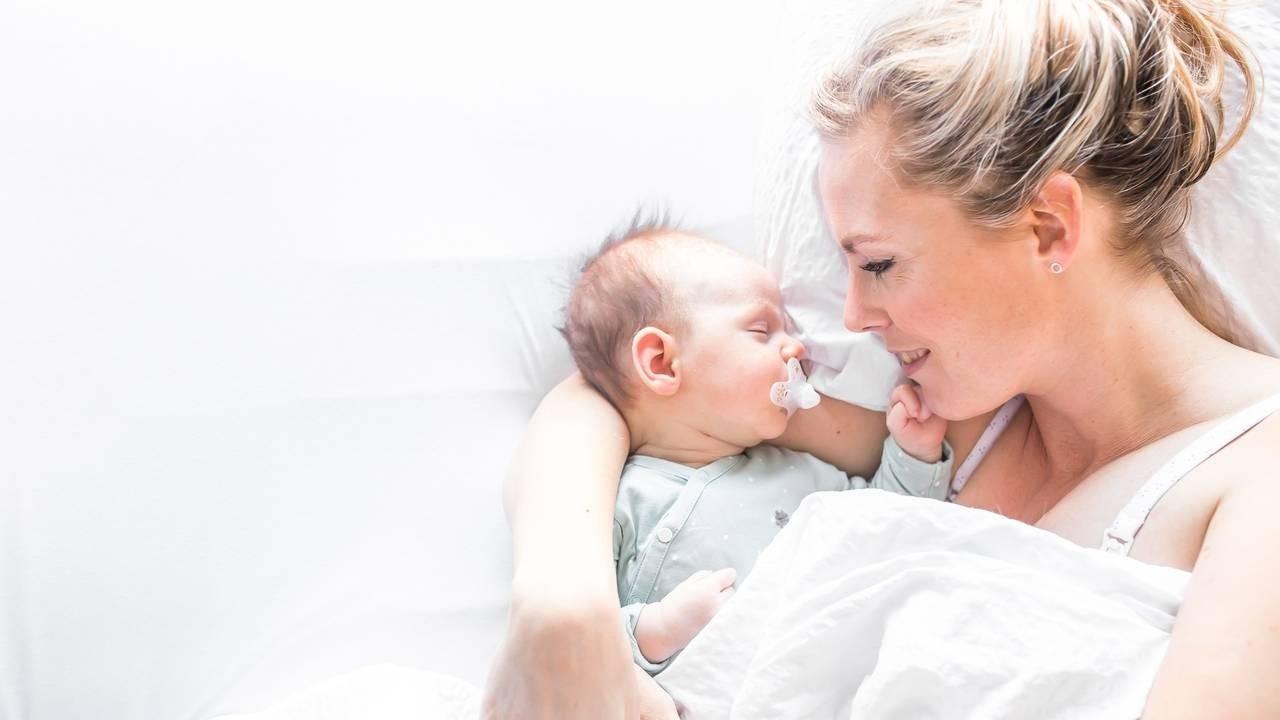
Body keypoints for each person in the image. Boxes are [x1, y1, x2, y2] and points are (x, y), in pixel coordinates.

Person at [482, 0, 1280, 718]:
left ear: (1047, 226)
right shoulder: (949, 427)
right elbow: (605, 400)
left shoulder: (1257, 474)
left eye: (880, 263)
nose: (854, 317)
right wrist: (561, 608)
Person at [558, 224, 951, 675]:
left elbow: (890, 525)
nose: (797, 347)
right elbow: (573, 642)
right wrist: (655, 629)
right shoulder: (617, 502)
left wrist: (913, 453)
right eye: (762, 330)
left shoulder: (802, 475)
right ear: (662, 362)